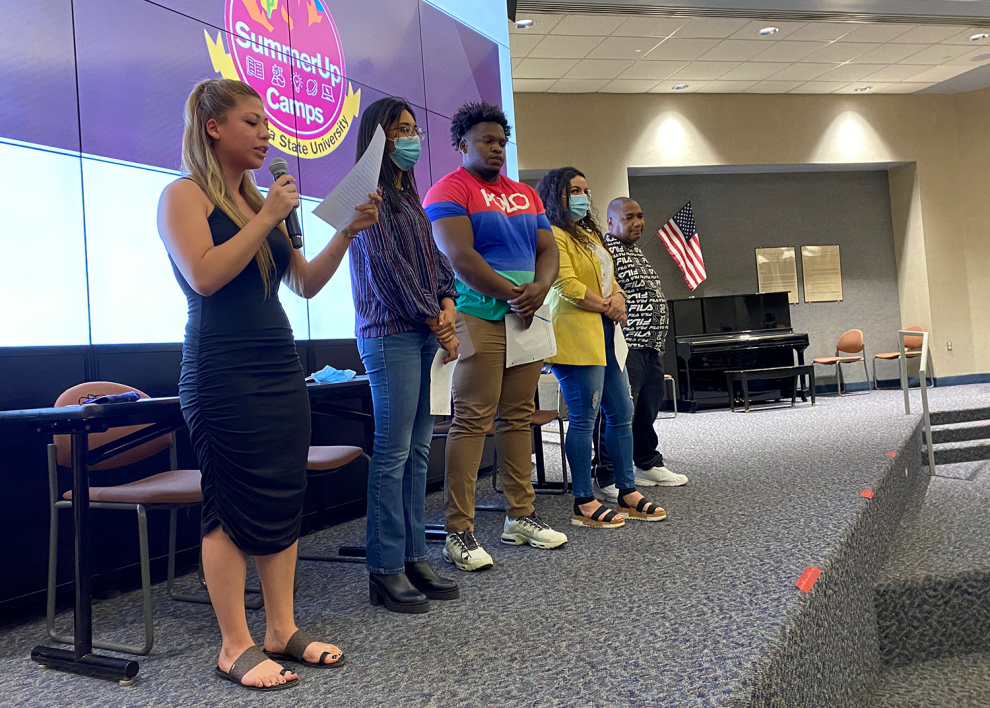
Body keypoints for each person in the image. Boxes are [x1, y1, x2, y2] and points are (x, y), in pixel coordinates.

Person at [157, 78, 380, 691]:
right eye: (252, 122)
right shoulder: (183, 196)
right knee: (230, 502)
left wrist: (345, 232)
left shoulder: (261, 204)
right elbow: (204, 276)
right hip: (220, 370)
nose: (266, 134)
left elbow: (304, 283)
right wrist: (271, 217)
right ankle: (234, 645)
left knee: (282, 492)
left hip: (278, 367)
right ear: (213, 127)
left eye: (267, 124)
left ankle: (281, 629)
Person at [424, 101, 567, 572]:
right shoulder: (449, 189)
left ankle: (519, 517)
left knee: (518, 416)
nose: (496, 149)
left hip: (525, 315)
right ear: (462, 144)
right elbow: (458, 255)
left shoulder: (526, 194)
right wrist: (513, 294)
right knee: (472, 420)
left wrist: (539, 289)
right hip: (475, 314)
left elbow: (548, 250)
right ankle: (458, 531)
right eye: (487, 141)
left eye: (502, 142)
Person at [350, 97, 461, 613]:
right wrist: (436, 320)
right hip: (390, 332)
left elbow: (436, 262)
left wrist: (446, 301)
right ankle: (385, 566)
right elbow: (387, 268)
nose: (412, 138)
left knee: (418, 452)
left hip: (420, 329)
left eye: (415, 129)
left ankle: (415, 554)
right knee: (393, 453)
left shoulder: (409, 196)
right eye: (401, 130)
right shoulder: (362, 193)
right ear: (378, 137)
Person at [536, 167, 666, 528]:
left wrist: (620, 298)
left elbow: (611, 278)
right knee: (583, 418)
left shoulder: (589, 234)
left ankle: (627, 490)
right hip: (575, 336)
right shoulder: (553, 233)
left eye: (585, 190)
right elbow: (566, 285)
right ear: (556, 196)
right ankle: (583, 501)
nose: (582, 196)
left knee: (622, 413)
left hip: (608, 338)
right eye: (574, 190)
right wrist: (608, 305)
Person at [591, 198, 687, 503]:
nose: (638, 222)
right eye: (628, 217)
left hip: (649, 345)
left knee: (647, 407)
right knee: (618, 411)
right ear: (610, 222)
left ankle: (646, 462)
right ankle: (605, 474)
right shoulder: (605, 251)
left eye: (641, 216)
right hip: (626, 344)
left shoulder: (635, 251)